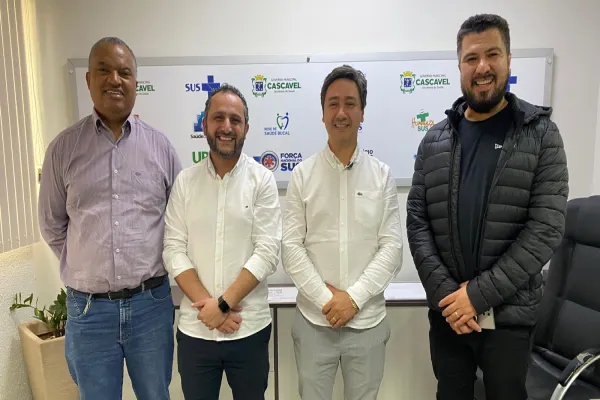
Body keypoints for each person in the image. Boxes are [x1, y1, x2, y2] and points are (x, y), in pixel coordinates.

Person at [406, 14, 569, 400]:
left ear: (509, 60)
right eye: (471, 58)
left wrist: (476, 297)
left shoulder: (541, 135)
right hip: (449, 316)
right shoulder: (434, 140)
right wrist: (451, 297)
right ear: (460, 66)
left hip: (509, 317)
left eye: (492, 54)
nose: (482, 67)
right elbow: (417, 222)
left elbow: (545, 229)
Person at [38, 37, 182, 399]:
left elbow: (178, 224)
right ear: (88, 79)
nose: (114, 79)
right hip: (89, 311)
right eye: (104, 70)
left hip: (150, 305)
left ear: (136, 83)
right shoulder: (63, 149)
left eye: (124, 72)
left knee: (156, 394)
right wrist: (88, 263)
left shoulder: (161, 148)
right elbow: (52, 225)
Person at [282, 65, 403, 400]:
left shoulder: (382, 176)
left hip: (367, 323)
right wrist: (328, 301)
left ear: (362, 112)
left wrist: (352, 299)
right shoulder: (302, 175)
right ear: (322, 113)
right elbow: (291, 248)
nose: (341, 112)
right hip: (314, 323)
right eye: (333, 103)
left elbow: (392, 248)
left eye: (350, 103)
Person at [162, 83, 281, 400]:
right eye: (218, 118)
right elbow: (173, 249)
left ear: (246, 129)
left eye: (235, 120)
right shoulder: (185, 182)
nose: (226, 127)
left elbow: (267, 252)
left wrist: (224, 305)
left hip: (248, 328)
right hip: (196, 331)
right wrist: (210, 308)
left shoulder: (262, 180)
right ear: (204, 124)